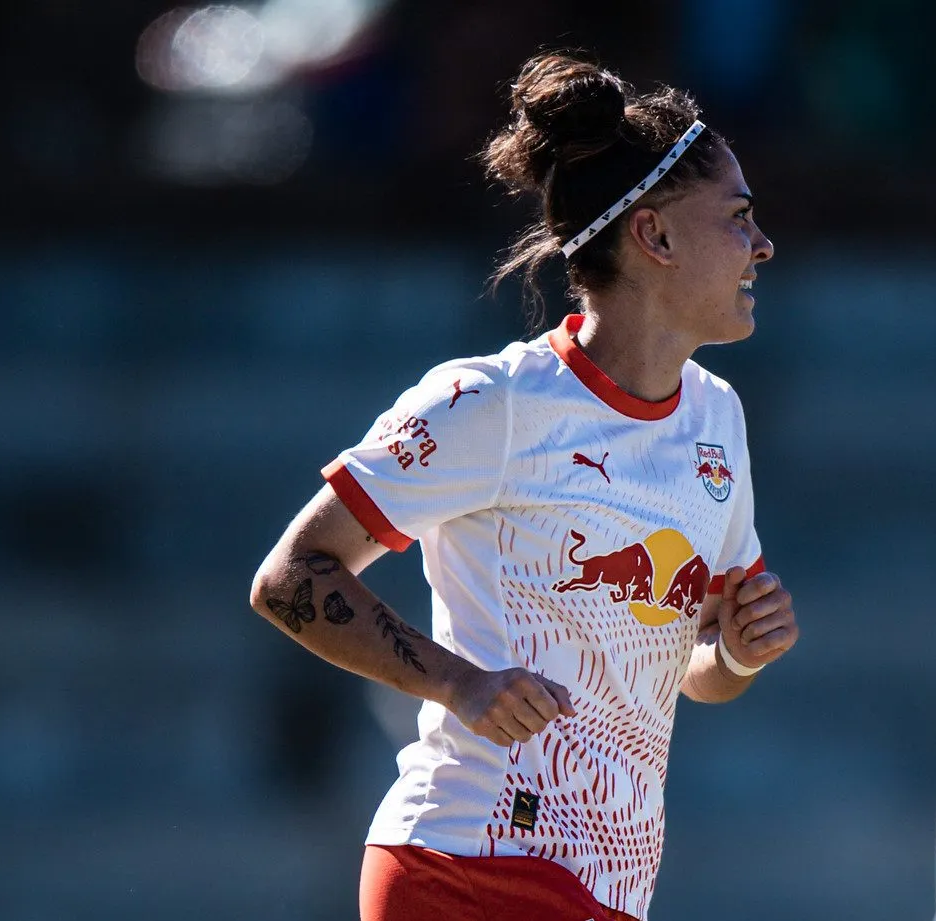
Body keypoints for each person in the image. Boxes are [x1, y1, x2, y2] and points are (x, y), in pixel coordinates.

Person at [249, 51, 797, 921]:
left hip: (606, 886)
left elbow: (693, 671)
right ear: (652, 236)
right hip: (467, 865)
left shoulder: (717, 418)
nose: (763, 244)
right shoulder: (494, 403)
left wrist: (735, 651)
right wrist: (458, 682)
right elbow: (291, 578)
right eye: (738, 218)